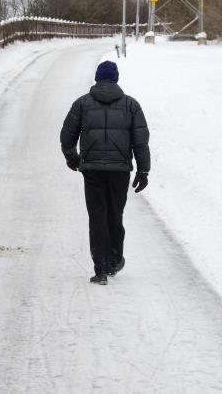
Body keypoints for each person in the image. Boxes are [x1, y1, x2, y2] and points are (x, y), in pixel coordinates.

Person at [60, 60, 150, 285]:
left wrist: (73, 158)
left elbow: (66, 136)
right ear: (116, 79)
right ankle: (114, 259)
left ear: (97, 79)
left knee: (97, 216)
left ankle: (100, 269)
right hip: (120, 171)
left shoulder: (82, 104)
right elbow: (141, 141)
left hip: (92, 170)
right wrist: (143, 170)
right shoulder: (132, 105)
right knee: (115, 214)